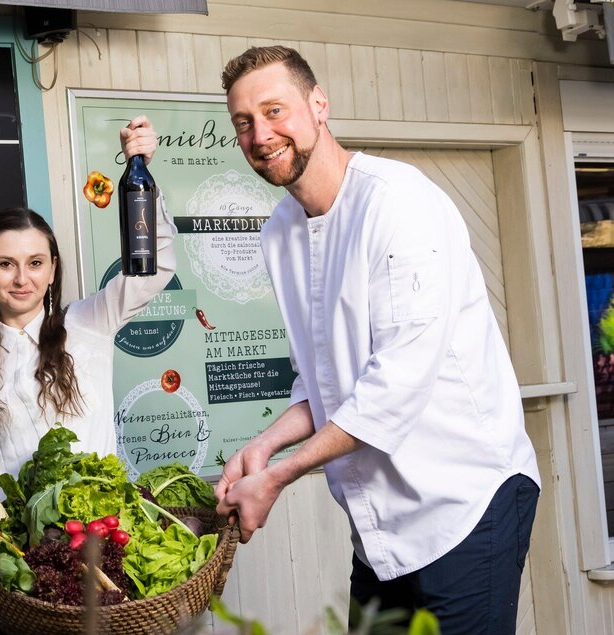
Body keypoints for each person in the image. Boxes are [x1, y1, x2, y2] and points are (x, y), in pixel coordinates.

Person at [213, 46, 540, 633]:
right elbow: (327, 378)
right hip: (380, 527)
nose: (261, 134)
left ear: (319, 105)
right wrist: (264, 445)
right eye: (244, 122)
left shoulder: (398, 201)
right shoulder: (279, 233)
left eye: (274, 110)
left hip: (465, 500)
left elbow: (395, 385)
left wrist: (279, 476)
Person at [0, 117, 175, 542]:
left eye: (35, 263)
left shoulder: (90, 323)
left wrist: (142, 172)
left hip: (111, 547)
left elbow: (157, 267)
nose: (21, 278)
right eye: (5, 264)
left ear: (52, 270)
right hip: (25, 578)